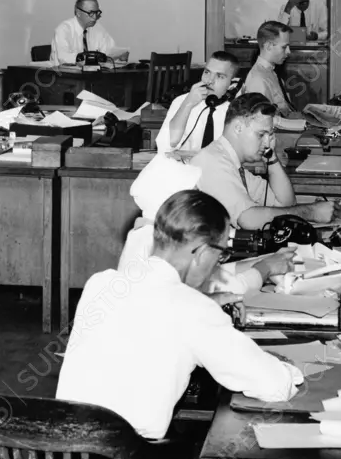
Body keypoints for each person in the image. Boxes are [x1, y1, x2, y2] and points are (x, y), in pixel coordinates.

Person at [58, 188, 303, 442]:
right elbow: (274, 386)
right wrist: (289, 367)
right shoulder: (193, 309)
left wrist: (206, 306)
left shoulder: (100, 284)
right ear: (203, 252)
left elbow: (149, 316)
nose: (216, 266)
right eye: (220, 256)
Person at [118, 153, 297, 297]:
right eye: (194, 195)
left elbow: (214, 272)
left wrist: (264, 261)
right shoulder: (148, 248)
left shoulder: (148, 234)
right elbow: (223, 288)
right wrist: (265, 268)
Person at [191, 92, 337, 231]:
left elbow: (285, 203)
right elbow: (248, 219)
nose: (267, 143)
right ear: (238, 128)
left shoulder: (232, 164)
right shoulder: (213, 162)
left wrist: (271, 158)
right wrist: (311, 212)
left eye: (270, 135)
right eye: (261, 134)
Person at [154, 51, 240, 153]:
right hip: (184, 167)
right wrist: (188, 104)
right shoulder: (182, 101)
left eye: (219, 76)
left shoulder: (236, 110)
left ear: (233, 84)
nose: (210, 81)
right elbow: (166, 145)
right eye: (207, 72)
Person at [240, 20, 296, 116]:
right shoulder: (258, 79)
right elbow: (263, 121)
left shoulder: (271, 72)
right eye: (284, 47)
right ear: (269, 46)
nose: (288, 51)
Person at [50, 0, 116, 65]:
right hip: (64, 74)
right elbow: (63, 58)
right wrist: (86, 57)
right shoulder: (63, 29)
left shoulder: (97, 28)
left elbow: (110, 51)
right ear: (78, 13)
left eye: (96, 13)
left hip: (91, 74)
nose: (94, 17)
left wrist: (119, 56)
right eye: (91, 13)